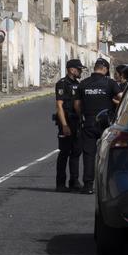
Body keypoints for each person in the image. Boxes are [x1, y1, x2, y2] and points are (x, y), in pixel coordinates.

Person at [73, 58, 123, 194]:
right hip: (106, 123)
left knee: (89, 154)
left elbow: (77, 105)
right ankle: (108, 186)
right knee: (107, 154)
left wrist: (82, 115)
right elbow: (123, 98)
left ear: (95, 68)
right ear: (105, 69)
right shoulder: (110, 83)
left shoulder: (83, 84)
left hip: (89, 122)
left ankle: (88, 185)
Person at [53, 59, 84, 192]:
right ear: (71, 70)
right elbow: (59, 106)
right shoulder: (62, 84)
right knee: (64, 152)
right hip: (66, 121)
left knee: (76, 151)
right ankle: (60, 183)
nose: (80, 71)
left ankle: (74, 181)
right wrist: (64, 125)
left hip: (76, 121)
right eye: (79, 69)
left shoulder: (78, 84)